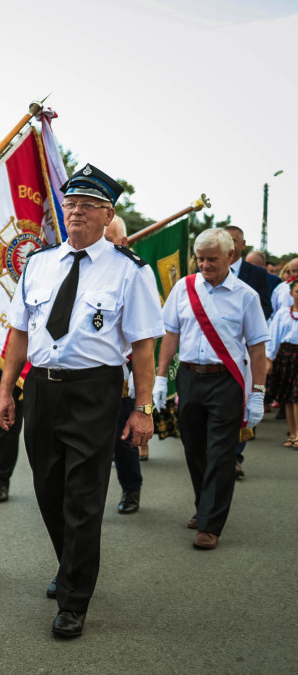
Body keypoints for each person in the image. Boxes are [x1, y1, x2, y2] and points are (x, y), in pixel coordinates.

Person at [0, 164, 163, 639]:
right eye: (70, 204)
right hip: (42, 390)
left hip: (95, 390)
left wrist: (144, 407)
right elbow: (18, 332)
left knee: (84, 499)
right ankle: (71, 564)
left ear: (108, 214)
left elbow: (143, 346)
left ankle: (74, 598)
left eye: (87, 206)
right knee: (49, 491)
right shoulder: (39, 263)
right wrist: (6, 390)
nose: (75, 212)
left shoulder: (130, 272)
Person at [154, 228, 268, 549]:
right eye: (200, 259)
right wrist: (162, 376)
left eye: (211, 259)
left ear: (230, 257)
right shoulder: (183, 288)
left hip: (226, 382)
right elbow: (171, 334)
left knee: (220, 453)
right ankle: (203, 505)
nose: (204, 265)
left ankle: (210, 524)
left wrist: (257, 392)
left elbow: (258, 348)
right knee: (194, 448)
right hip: (190, 378)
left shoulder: (246, 296)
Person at [223, 226, 277, 477]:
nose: (230, 247)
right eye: (226, 241)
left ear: (243, 244)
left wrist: (248, 327)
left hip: (245, 348)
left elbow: (265, 306)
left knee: (240, 403)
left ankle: (235, 456)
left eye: (234, 241)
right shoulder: (206, 268)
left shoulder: (255, 273)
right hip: (216, 349)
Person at [103, 216, 145, 513]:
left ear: (123, 241)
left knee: (123, 437)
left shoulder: (134, 273)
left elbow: (143, 338)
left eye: (110, 239)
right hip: (83, 375)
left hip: (120, 372)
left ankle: (131, 488)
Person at [267, 279, 298, 447]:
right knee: (288, 396)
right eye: (297, 291)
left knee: (297, 395)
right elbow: (274, 336)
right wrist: (269, 359)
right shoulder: (283, 314)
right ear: (291, 293)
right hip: (287, 355)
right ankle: (292, 433)